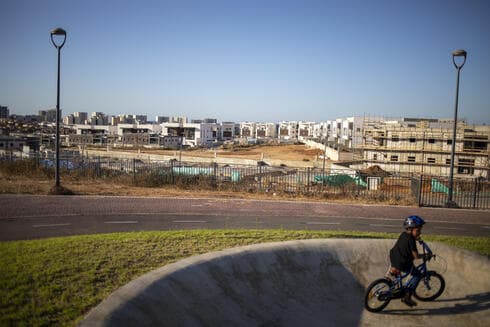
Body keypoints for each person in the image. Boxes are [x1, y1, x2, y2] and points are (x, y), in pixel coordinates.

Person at [387, 215, 429, 307]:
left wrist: (417, 238)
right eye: (418, 231)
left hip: (393, 256)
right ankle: (407, 297)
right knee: (418, 275)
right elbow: (416, 256)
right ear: (411, 229)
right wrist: (426, 255)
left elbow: (409, 241)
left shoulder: (404, 234)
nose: (420, 232)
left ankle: (392, 273)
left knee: (398, 268)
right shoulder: (411, 241)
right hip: (403, 263)